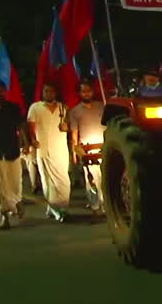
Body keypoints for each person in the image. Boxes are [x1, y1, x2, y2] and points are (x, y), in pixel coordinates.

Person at [0, 79, 27, 230]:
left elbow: (21, 126)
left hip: (12, 149)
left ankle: (17, 201)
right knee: (0, 183)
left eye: (2, 91)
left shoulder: (12, 108)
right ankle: (4, 215)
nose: (0, 94)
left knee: (15, 180)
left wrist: (26, 143)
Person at [28, 82, 71, 222]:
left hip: (61, 150)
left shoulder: (63, 108)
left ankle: (61, 207)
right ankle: (56, 210)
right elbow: (31, 125)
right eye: (46, 91)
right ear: (42, 92)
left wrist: (67, 127)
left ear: (56, 93)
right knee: (48, 182)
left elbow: (69, 125)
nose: (49, 94)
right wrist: (33, 140)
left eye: (51, 91)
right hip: (44, 150)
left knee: (63, 181)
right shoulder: (35, 107)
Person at [70, 79, 106, 215]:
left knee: (104, 177)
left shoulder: (102, 106)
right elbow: (74, 133)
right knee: (91, 178)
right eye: (83, 91)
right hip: (87, 150)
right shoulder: (75, 111)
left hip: (103, 146)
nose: (86, 94)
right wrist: (75, 152)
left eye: (88, 91)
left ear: (93, 92)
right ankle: (95, 206)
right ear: (80, 93)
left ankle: (105, 204)